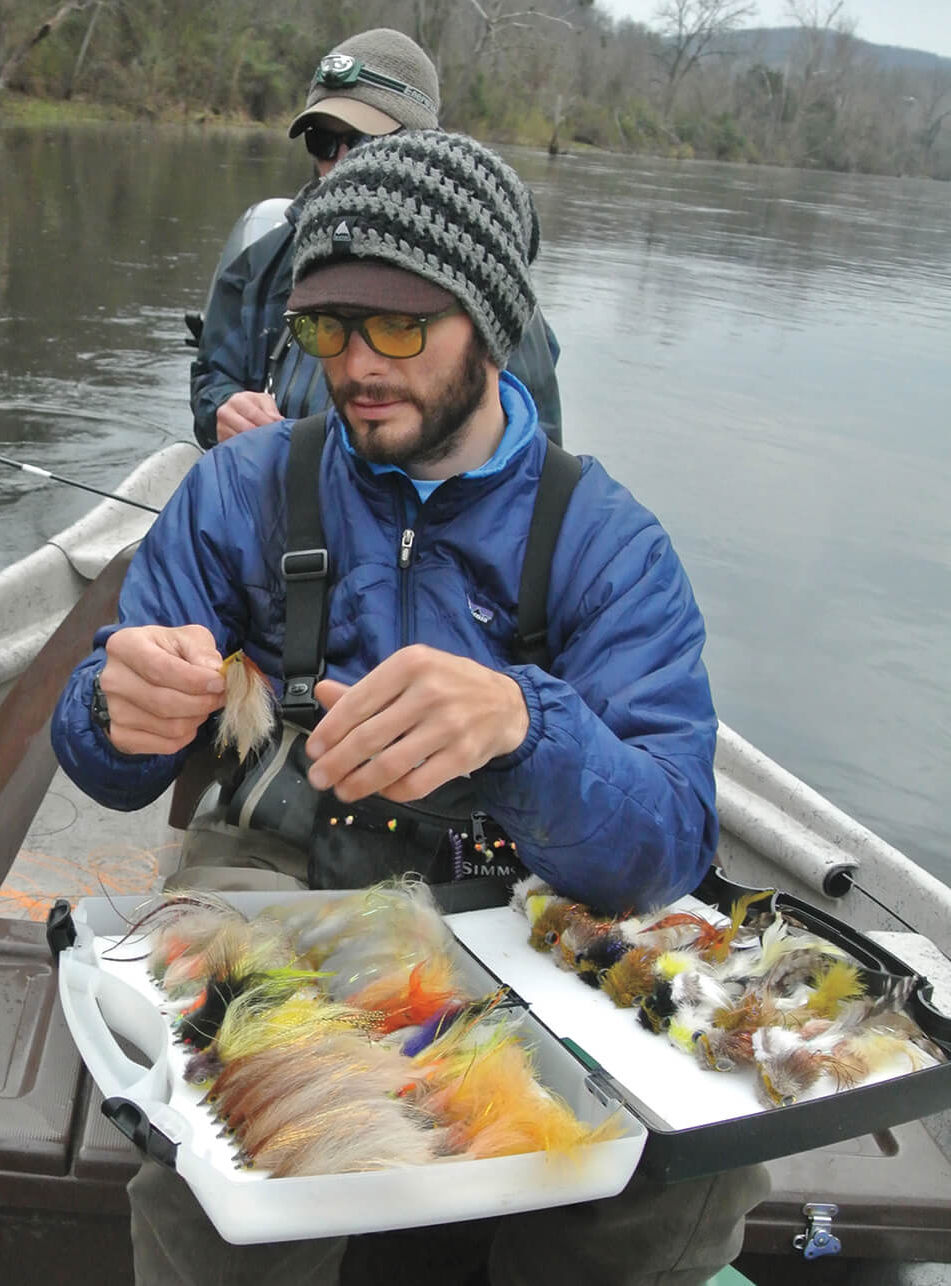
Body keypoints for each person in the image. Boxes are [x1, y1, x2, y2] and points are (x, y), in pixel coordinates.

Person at [52, 128, 769, 1286]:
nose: (355, 363)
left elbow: (673, 836)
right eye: (327, 325)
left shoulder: (608, 541)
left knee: (700, 1156)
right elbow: (107, 764)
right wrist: (111, 707)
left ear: (487, 322)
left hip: (533, 896)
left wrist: (528, 728)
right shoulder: (242, 487)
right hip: (278, 873)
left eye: (399, 323)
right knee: (244, 1116)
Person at [189, 27, 564, 450]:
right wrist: (225, 409)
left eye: (365, 140)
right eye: (323, 141)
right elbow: (211, 379)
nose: (342, 160)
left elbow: (536, 448)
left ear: (422, 140)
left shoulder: (487, 279)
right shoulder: (264, 261)